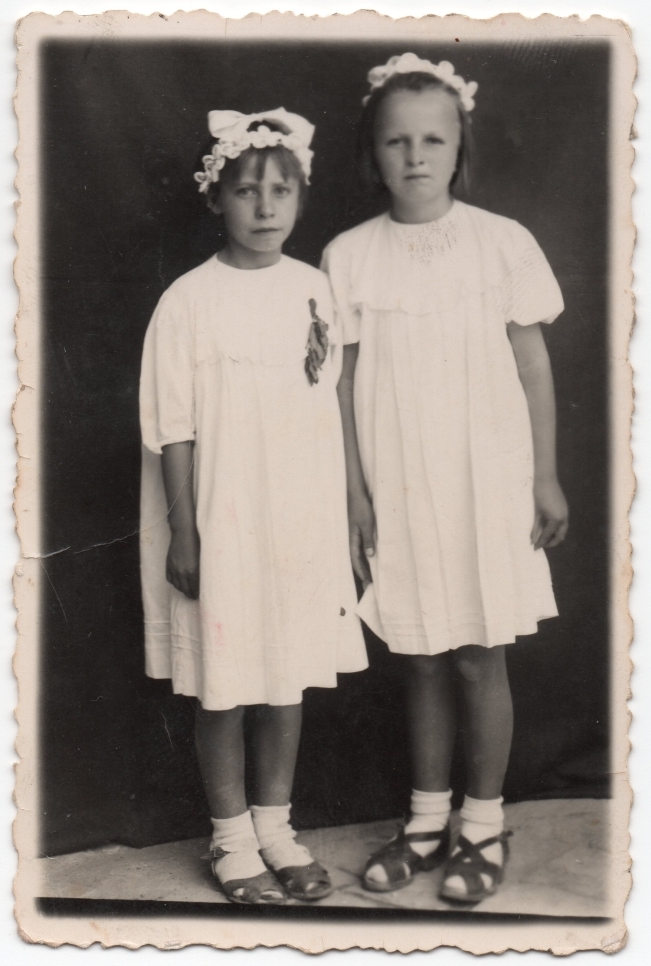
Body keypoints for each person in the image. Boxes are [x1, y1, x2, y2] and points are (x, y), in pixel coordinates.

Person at [322, 53, 569, 904]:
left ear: (459, 146)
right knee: (419, 654)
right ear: (374, 153)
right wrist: (352, 491)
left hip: (483, 475)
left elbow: (532, 365)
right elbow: (342, 382)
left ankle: (483, 821)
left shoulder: (502, 243)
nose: (415, 156)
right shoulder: (348, 256)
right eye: (397, 141)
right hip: (396, 478)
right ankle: (426, 819)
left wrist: (544, 477)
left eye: (432, 138)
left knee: (476, 653)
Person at [139, 108, 367, 905]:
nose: (265, 207)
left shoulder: (314, 290)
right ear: (216, 200)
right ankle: (231, 837)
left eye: (280, 191)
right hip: (221, 517)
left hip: (297, 518)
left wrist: (348, 505)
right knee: (226, 683)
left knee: (286, 678)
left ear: (301, 200)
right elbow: (172, 429)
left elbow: (328, 404)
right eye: (246, 190)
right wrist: (185, 530)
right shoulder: (187, 301)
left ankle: (275, 825)